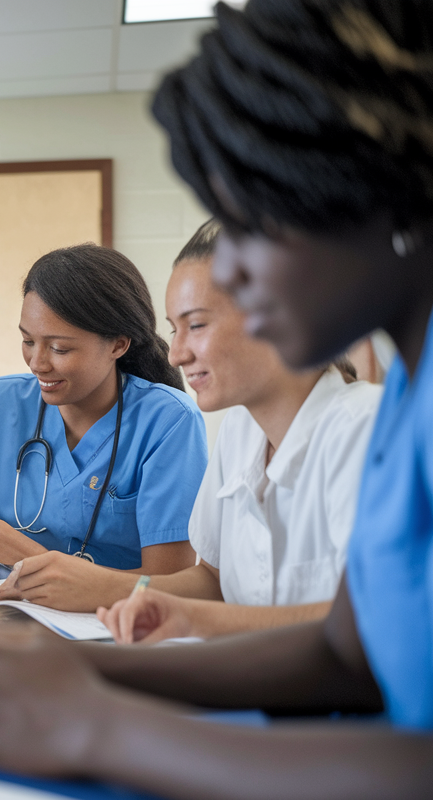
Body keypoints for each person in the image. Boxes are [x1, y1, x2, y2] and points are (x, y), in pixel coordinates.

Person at [0, 1, 433, 796]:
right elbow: (344, 654)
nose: (241, 277)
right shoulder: (419, 381)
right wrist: (69, 662)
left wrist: (94, 723)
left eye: (255, 220)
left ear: (367, 174)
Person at [84, 220, 380, 641]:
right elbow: (212, 577)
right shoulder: (241, 428)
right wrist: (134, 597)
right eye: (174, 329)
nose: (178, 354)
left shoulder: (363, 428)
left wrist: (194, 621)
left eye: (197, 325)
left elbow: (373, 619)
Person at [0, 244, 208, 574]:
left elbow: (166, 582)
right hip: (3, 610)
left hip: (109, 621)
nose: (37, 364)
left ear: (118, 344)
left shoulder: (169, 422)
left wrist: (24, 553)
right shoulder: (3, 402)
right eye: (28, 341)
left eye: (59, 348)